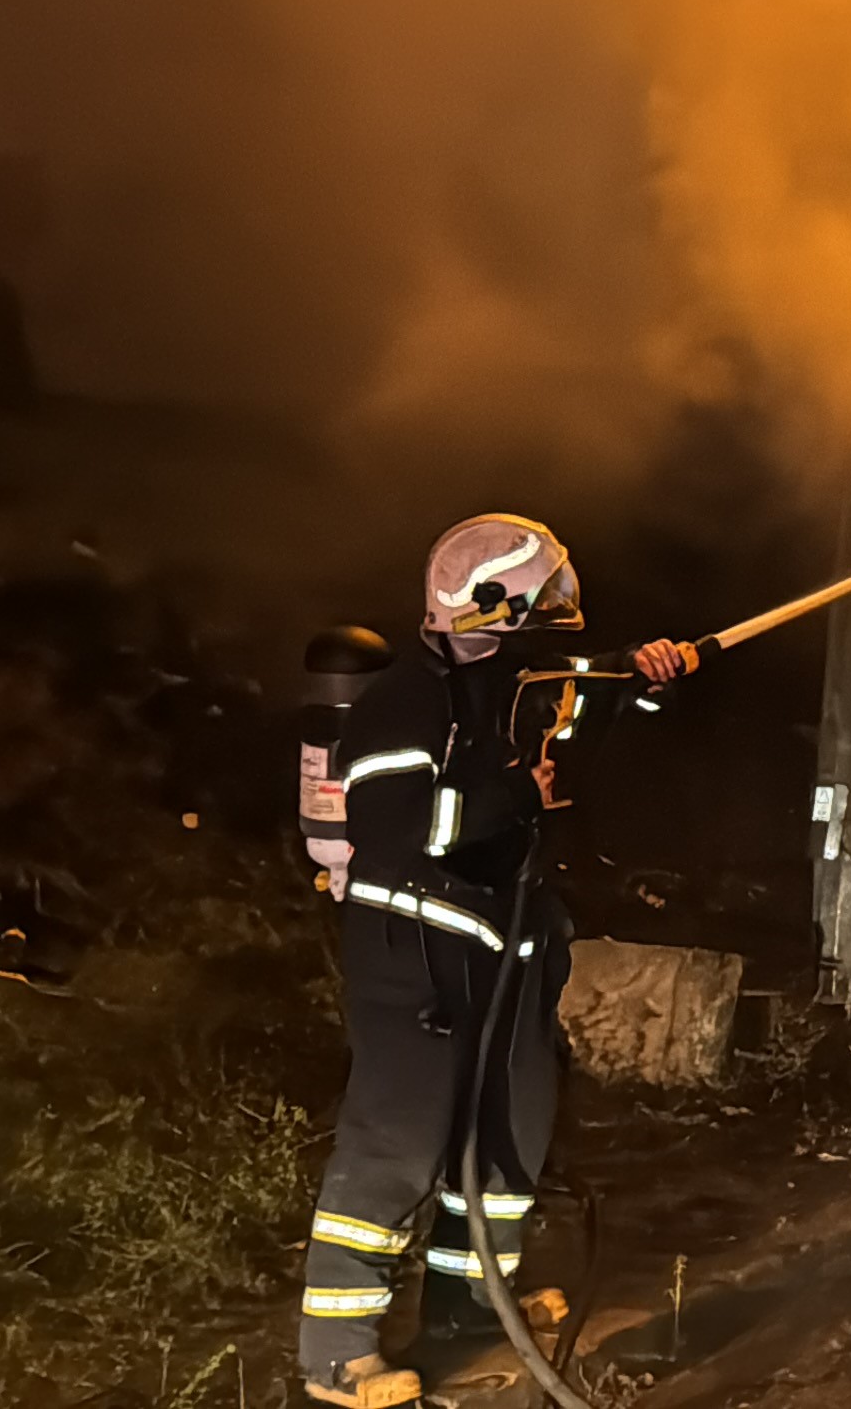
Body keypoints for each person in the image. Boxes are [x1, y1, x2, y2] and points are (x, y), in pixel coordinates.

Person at [295, 514, 697, 1409]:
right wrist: (518, 793)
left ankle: (467, 1312)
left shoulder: (516, 686)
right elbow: (402, 833)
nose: (562, 605)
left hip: (505, 953)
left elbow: (592, 722)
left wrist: (654, 681)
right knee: (396, 1142)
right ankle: (335, 1353)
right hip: (416, 954)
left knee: (509, 1134)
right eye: (545, 591)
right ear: (495, 602)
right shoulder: (404, 702)